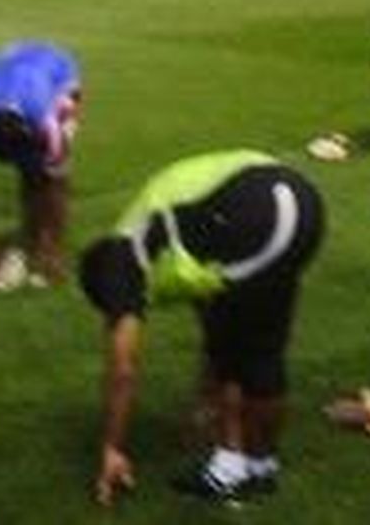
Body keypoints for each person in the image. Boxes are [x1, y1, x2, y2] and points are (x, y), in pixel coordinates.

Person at [79, 150, 325, 507]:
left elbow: (123, 368)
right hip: (304, 204)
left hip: (260, 215)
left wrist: (112, 448)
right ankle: (260, 466)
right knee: (259, 345)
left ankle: (228, 469)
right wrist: (203, 399)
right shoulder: (168, 233)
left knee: (236, 352)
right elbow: (204, 305)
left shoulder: (121, 262)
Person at [0, 40, 80, 287]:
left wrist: (54, 249)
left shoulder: (53, 123)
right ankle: (30, 238)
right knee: (32, 174)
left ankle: (44, 242)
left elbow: (59, 184)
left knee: (41, 179)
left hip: (57, 69)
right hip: (8, 62)